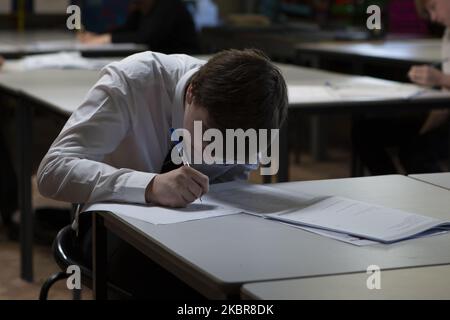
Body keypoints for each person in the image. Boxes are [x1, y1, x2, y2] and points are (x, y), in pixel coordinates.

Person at [37, 49, 288, 298]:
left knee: (259, 274)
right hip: (111, 231)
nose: (213, 155)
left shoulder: (248, 119)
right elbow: (52, 171)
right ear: (191, 93)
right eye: (209, 138)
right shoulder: (134, 82)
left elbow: (234, 182)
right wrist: (149, 186)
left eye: (230, 150)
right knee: (187, 287)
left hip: (197, 232)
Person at [352, 0, 449, 176]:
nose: (433, 18)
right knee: (365, 132)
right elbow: (444, 100)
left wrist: (441, 78)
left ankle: (437, 198)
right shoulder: (448, 34)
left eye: (434, 7)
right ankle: (390, 186)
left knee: (415, 151)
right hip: (444, 115)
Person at [78, 0, 200, 54]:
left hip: (184, 63)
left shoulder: (168, 5)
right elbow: (127, 28)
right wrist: (98, 36)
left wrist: (107, 38)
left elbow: (145, 37)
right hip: (160, 62)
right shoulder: (141, 6)